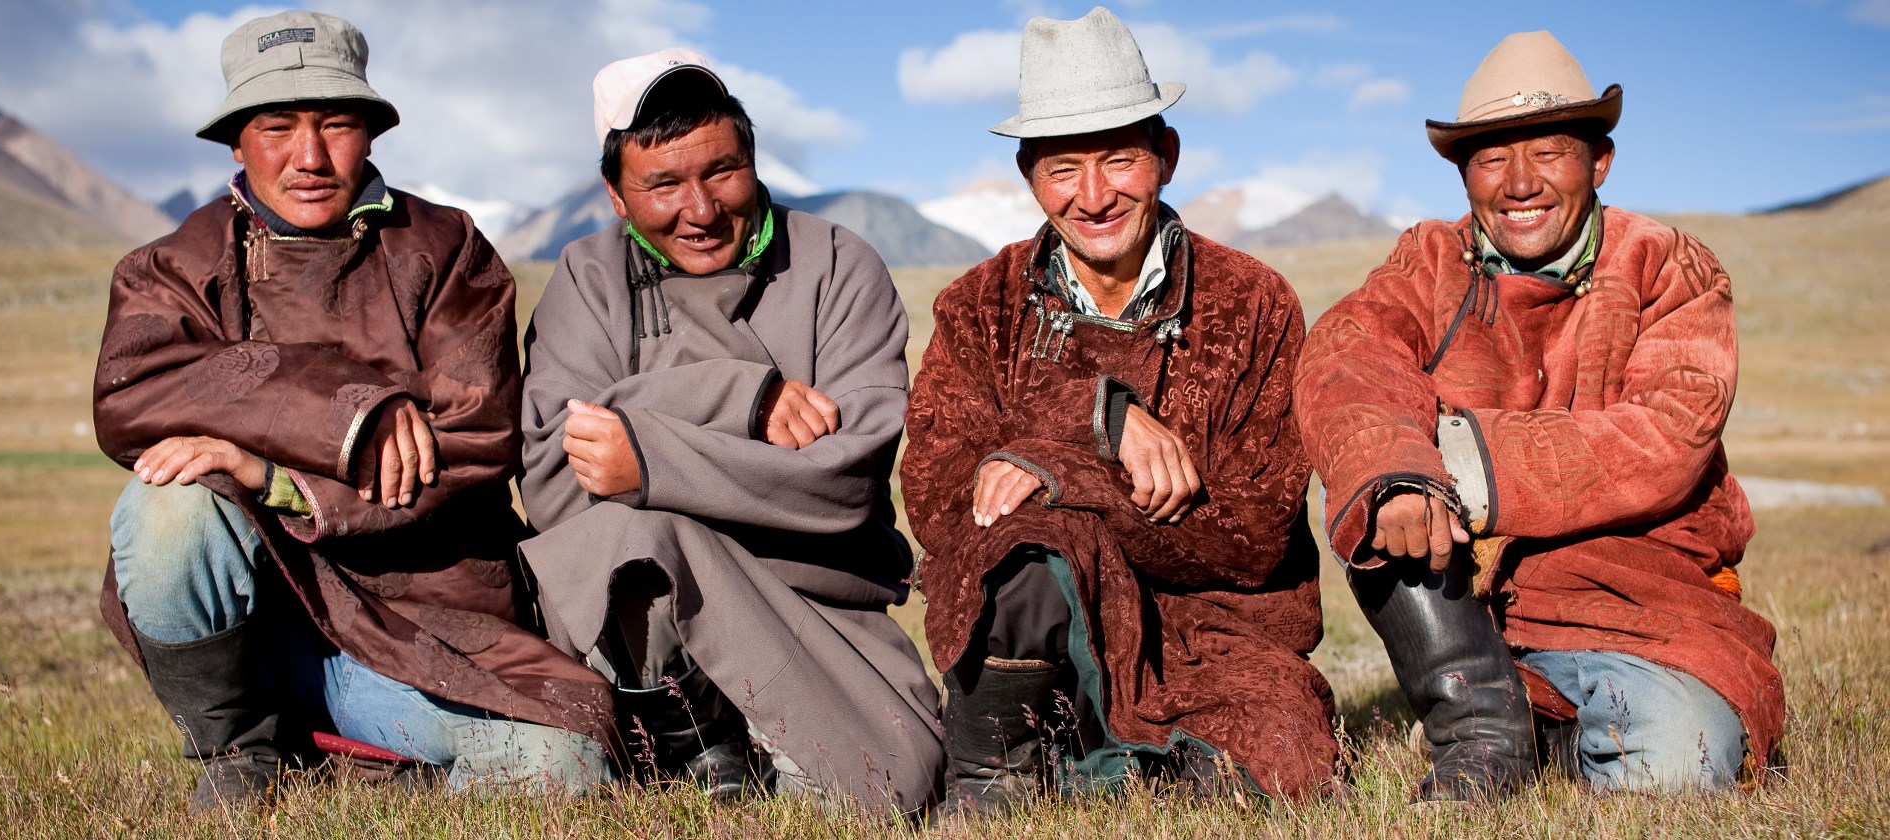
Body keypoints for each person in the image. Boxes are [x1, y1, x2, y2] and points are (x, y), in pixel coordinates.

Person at [93, 11, 616, 813]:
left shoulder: (448, 252)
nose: (308, 156)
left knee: (564, 763)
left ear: (370, 133)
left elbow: (473, 440)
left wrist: (273, 473)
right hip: (258, 631)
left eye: (336, 124)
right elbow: (130, 392)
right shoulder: (171, 268)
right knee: (168, 506)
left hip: (423, 622)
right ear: (238, 141)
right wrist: (345, 408)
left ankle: (339, 747)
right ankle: (236, 746)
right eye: (277, 127)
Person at [1293, 31, 1784, 800]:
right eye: (1492, 159)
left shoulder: (1669, 266)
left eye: (1549, 152)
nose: (1519, 182)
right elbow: (1346, 354)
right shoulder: (1430, 261)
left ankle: (1552, 729)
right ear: (1463, 175)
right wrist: (1396, 468)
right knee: (1374, 474)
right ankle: (1483, 729)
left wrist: (1465, 460)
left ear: (1600, 160)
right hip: (1480, 613)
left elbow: (1667, 435)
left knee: (1676, 771)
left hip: (1638, 601)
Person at [901, 8, 1338, 816]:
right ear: (1030, 174)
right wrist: (1096, 420)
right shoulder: (977, 309)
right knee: (1023, 540)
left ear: (1165, 157)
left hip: (1211, 632)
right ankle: (995, 776)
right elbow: (937, 497)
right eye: (1065, 167)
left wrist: (1060, 466)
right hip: (1042, 635)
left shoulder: (1254, 303)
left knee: (1291, 766)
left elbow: (1256, 533)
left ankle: (1098, 759)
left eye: (1119, 160)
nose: (1094, 195)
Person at [514, 49, 942, 815]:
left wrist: (643, 454)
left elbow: (842, 484)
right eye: (663, 184)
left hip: (813, 607)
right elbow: (554, 483)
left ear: (751, 157)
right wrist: (741, 397)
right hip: (643, 625)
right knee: (625, 542)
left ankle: (752, 737)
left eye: (721, 171)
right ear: (615, 194)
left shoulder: (839, 265)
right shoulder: (585, 278)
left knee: (894, 785)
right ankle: (687, 744)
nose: (702, 209)